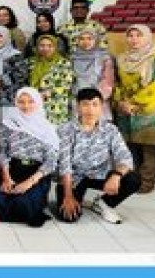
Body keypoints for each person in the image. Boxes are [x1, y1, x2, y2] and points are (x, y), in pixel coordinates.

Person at [56, 88, 140, 224]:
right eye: (85, 104)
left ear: (101, 107)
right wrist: (68, 196)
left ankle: (103, 203)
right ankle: (69, 194)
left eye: (95, 104)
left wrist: (116, 175)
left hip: (100, 174)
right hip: (74, 178)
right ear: (77, 107)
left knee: (133, 179)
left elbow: (125, 157)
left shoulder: (110, 129)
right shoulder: (65, 130)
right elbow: (64, 165)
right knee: (69, 217)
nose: (90, 110)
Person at [0, 88, 59, 227]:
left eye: (30, 101)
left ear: (38, 103)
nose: (26, 106)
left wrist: (29, 182)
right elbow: (2, 151)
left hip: (36, 172)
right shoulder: (8, 124)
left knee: (25, 203)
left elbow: (51, 160)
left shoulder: (47, 128)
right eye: (21, 102)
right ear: (16, 103)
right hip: (13, 169)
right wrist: (6, 178)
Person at [113, 24, 155, 194]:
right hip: (125, 110)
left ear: (148, 37)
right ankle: (131, 180)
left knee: (148, 149)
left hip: (148, 111)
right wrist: (120, 102)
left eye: (139, 35)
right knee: (129, 147)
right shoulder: (122, 58)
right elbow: (117, 84)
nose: (134, 39)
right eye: (130, 35)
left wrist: (133, 102)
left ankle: (146, 183)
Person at [0, 26, 26, 128]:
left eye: (0, 36)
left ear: (7, 37)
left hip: (9, 97)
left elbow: (21, 75)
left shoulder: (15, 55)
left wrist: (1, 79)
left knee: (8, 127)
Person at [28, 34, 75, 125]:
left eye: (50, 46)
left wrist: (48, 92)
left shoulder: (63, 63)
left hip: (56, 104)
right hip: (33, 103)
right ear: (37, 47)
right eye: (42, 45)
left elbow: (66, 84)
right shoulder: (31, 62)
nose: (45, 48)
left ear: (55, 47)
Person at [71, 28, 115, 121]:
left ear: (96, 40)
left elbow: (108, 81)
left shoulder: (104, 57)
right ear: (77, 41)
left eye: (89, 38)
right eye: (82, 39)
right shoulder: (72, 58)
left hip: (97, 99)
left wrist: (95, 97)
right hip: (78, 98)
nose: (85, 42)